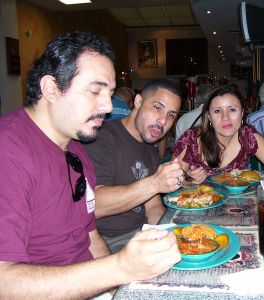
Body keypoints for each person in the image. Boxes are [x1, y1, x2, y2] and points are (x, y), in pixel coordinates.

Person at [0, 31, 181, 299]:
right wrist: (119, 269)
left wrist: (120, 290)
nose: (107, 106)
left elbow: (90, 237)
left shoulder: (75, 150)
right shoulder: (9, 150)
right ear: (51, 88)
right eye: (95, 91)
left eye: (109, 93)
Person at [84, 79, 183, 253]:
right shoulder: (102, 138)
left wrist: (174, 236)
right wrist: (154, 183)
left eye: (171, 115)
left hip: (140, 234)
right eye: (157, 107)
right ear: (138, 101)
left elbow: (152, 208)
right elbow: (94, 206)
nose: (162, 121)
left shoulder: (150, 151)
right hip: (107, 241)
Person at [172, 85, 264, 182]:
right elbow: (172, 179)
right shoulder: (191, 138)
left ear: (242, 113)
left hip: (237, 200)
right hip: (197, 199)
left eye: (232, 110)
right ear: (209, 117)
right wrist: (187, 180)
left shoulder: (247, 135)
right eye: (217, 111)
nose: (225, 117)